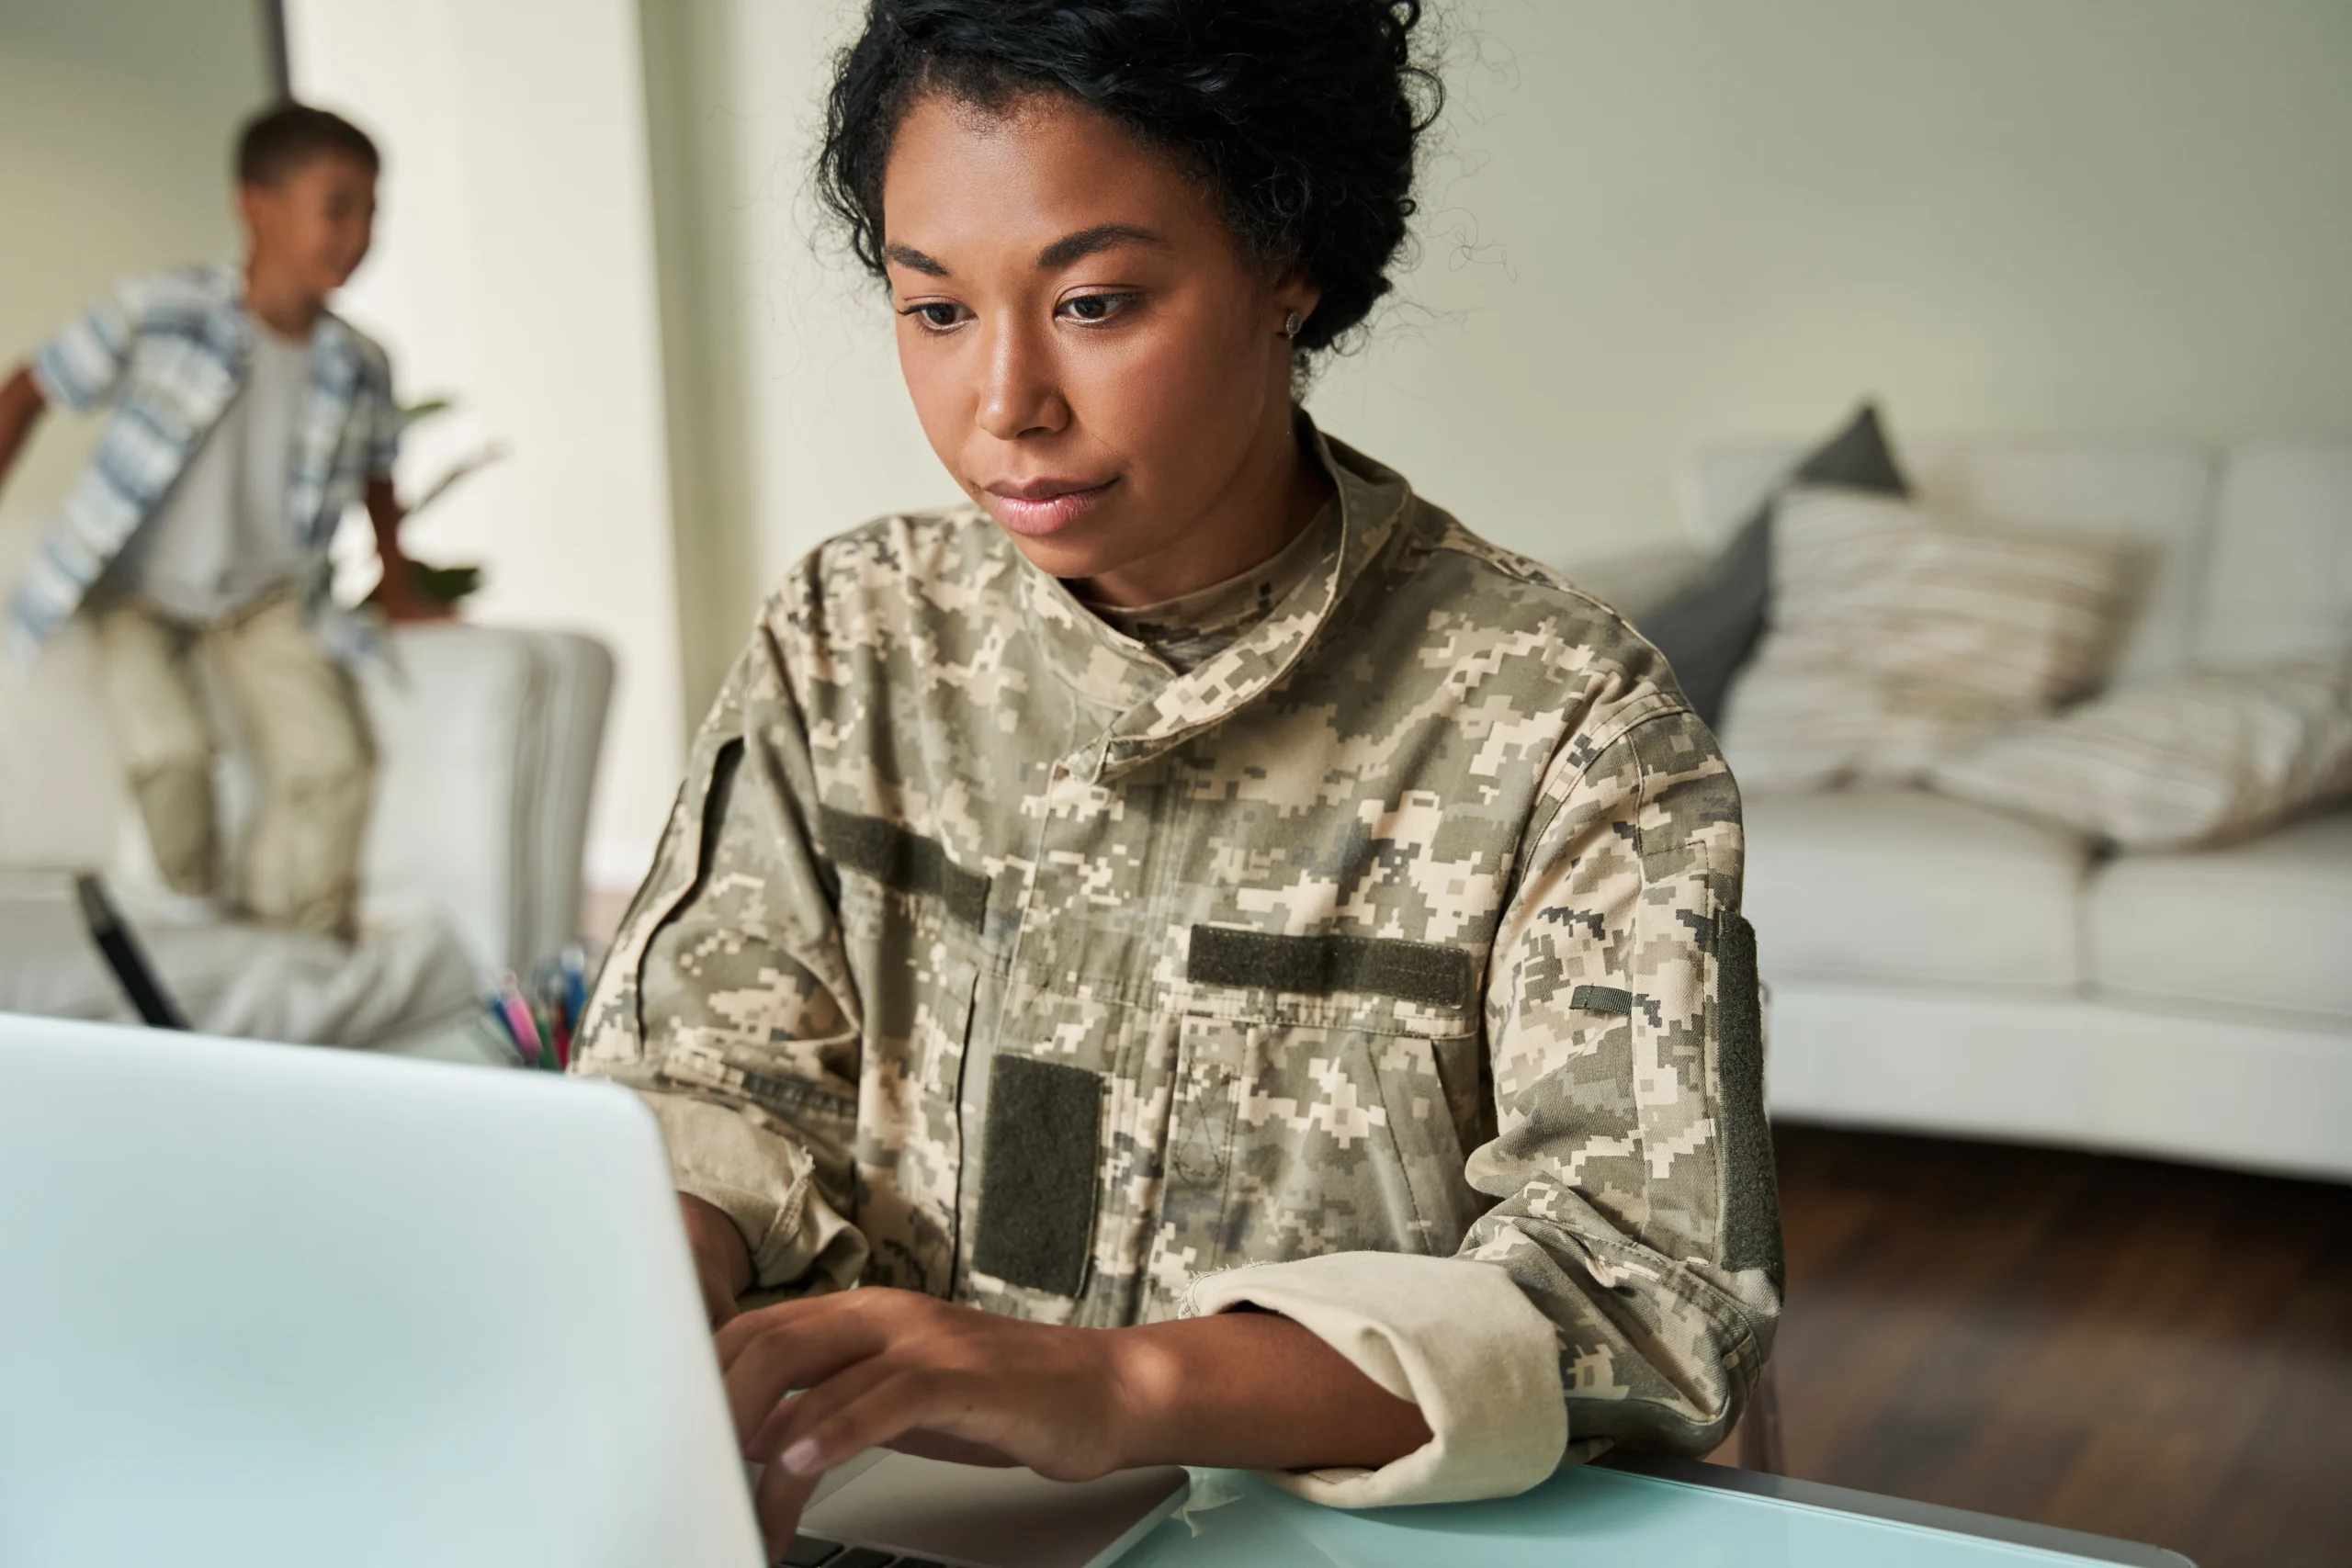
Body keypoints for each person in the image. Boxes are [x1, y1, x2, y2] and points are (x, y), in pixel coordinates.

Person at [572, 0, 1780, 1549]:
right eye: (934, 309)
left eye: (1093, 302)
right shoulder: (848, 636)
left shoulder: (1565, 725)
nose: (1003, 404)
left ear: (1292, 263)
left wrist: (1128, 1387)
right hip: (824, 1512)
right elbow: (704, 1081)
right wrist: (650, 1291)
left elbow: (1645, 1291)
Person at [0, 102, 436, 941]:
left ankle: (303, 940)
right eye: (338, 205)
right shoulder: (162, 310)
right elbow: (29, 389)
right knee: (170, 753)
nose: (358, 232)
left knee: (333, 762)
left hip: (266, 596)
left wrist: (399, 577)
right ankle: (192, 919)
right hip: (139, 590)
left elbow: (381, 472)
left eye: (373, 211)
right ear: (255, 205)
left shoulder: (361, 362)